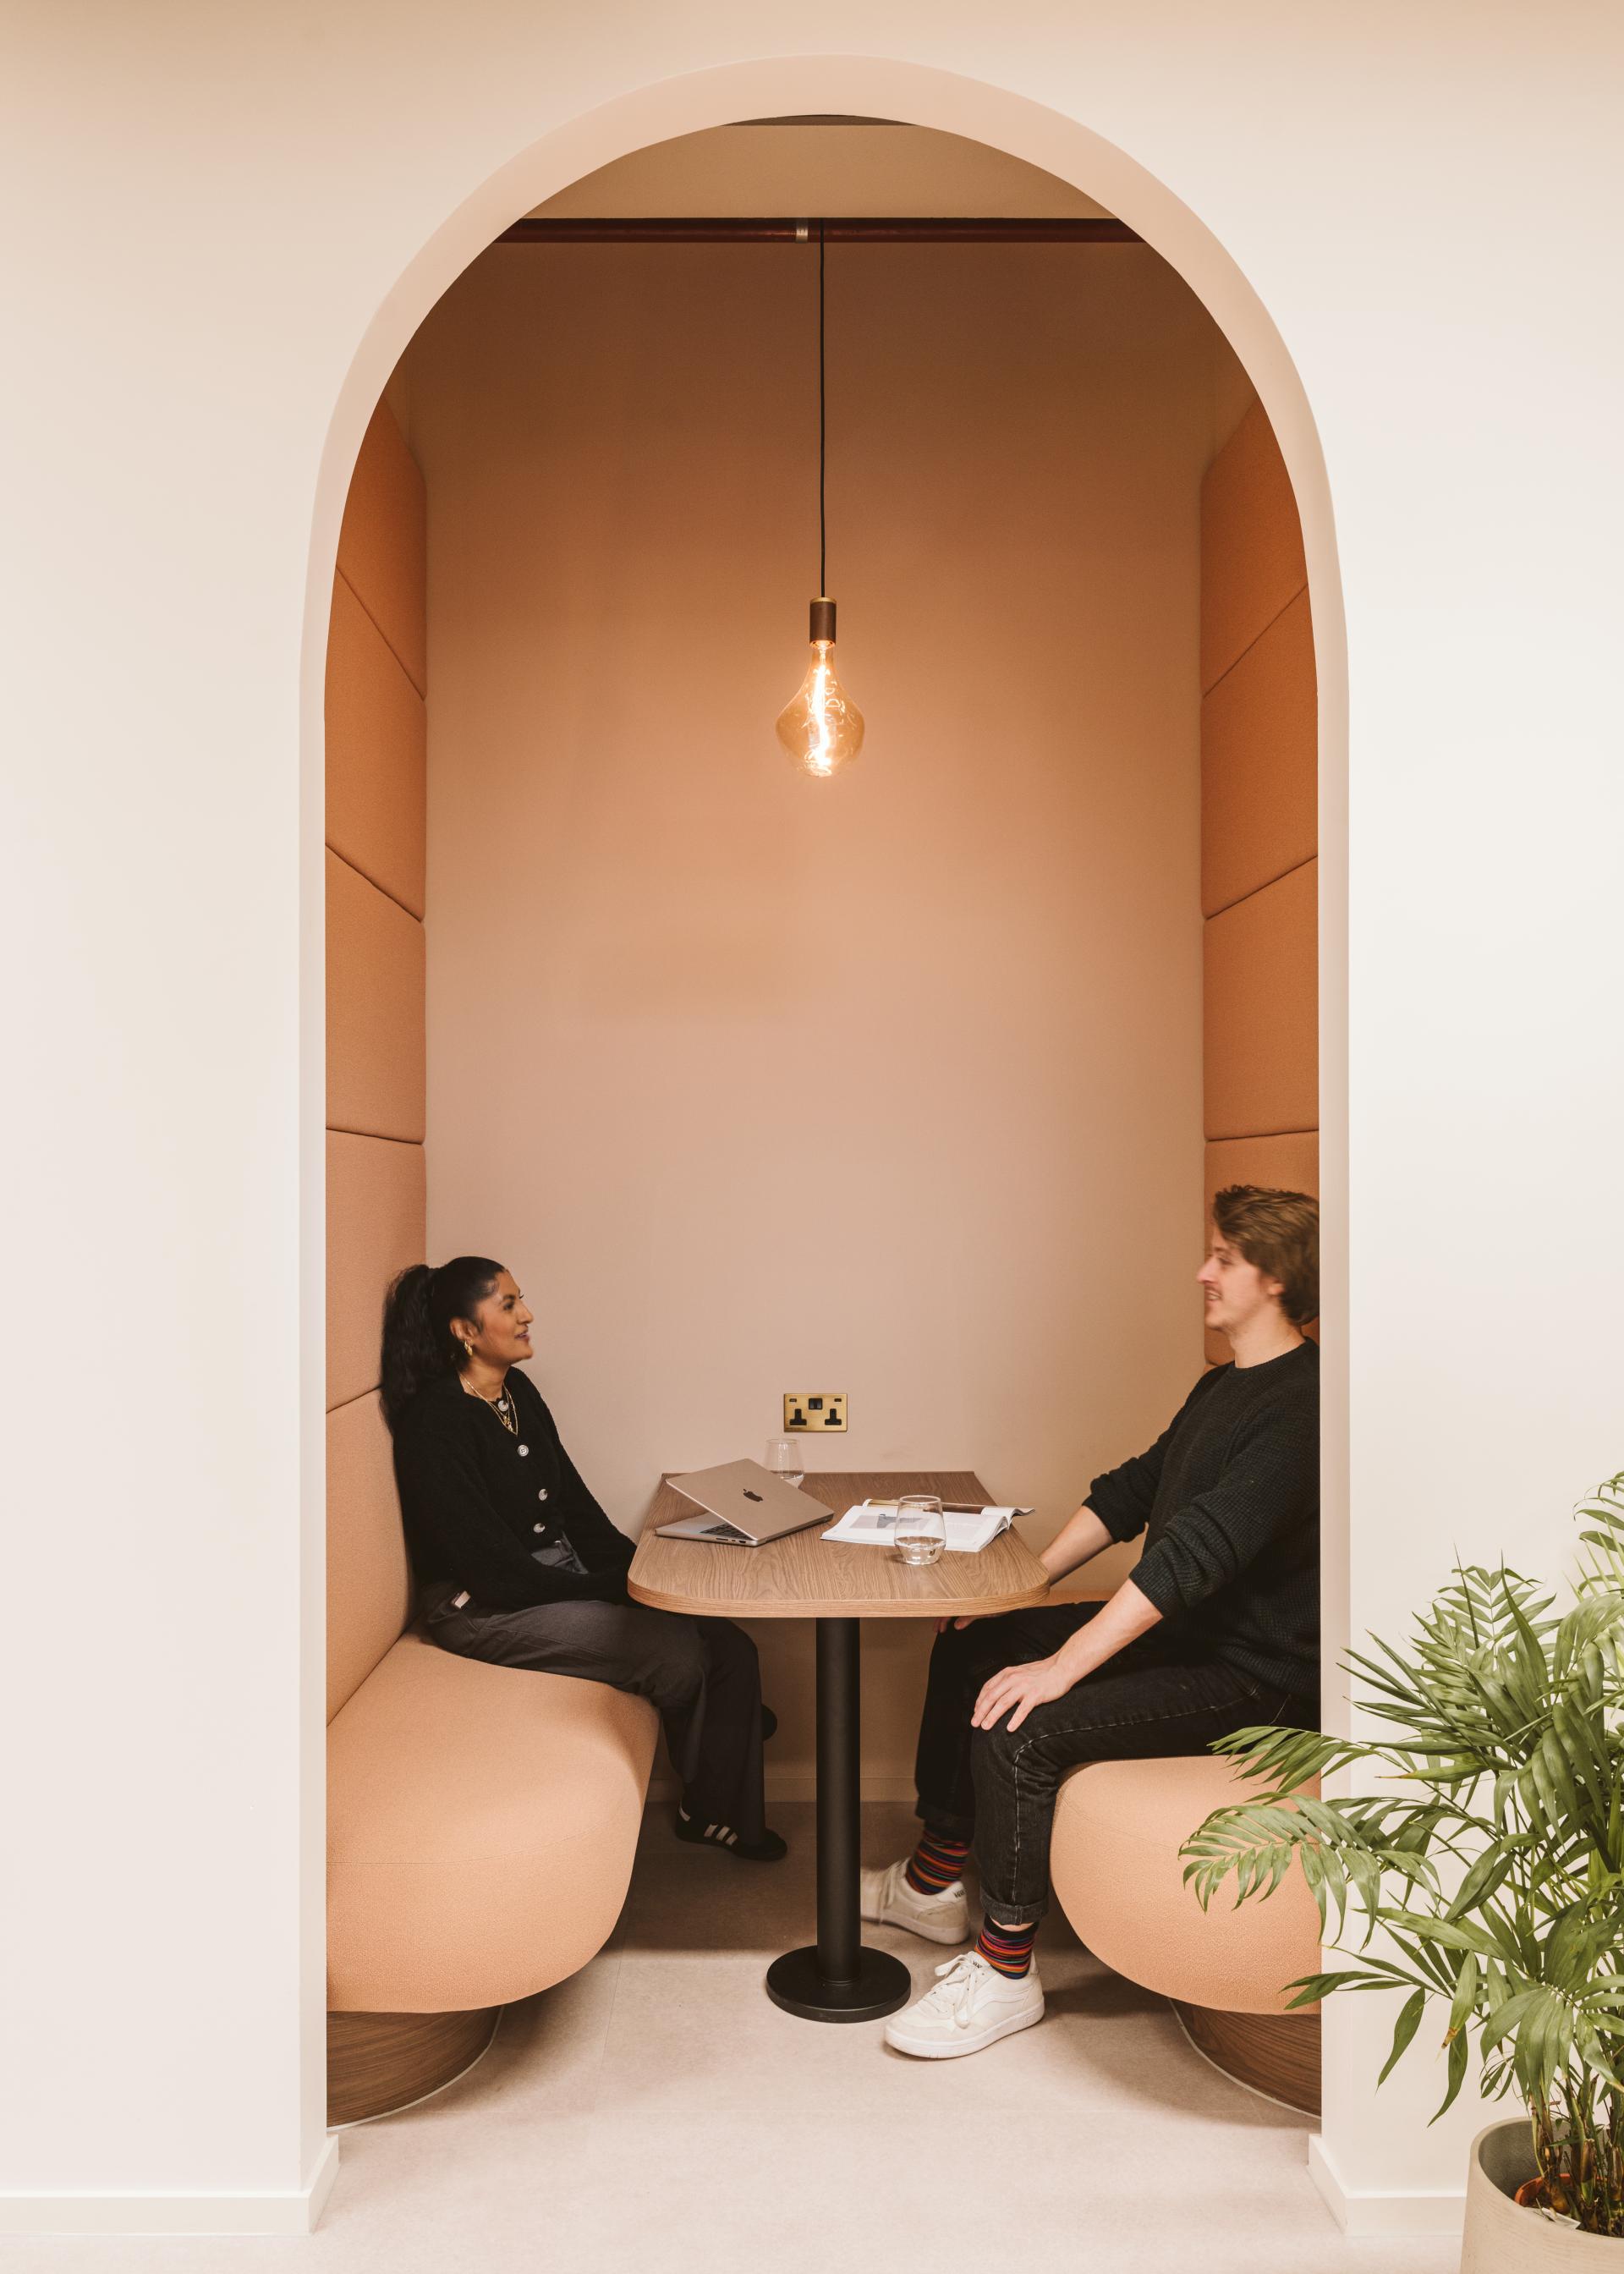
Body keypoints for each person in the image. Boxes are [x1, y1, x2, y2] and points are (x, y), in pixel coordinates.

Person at [864, 1184, 1320, 2058]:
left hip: (1258, 1675)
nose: (1202, 1273)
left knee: (1022, 1724)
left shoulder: (1302, 1407)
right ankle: (932, 1885)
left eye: (1223, 1258)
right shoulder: (1223, 1385)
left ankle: (1005, 1975)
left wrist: (1064, 1666)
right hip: (1191, 1638)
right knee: (979, 1646)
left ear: (1274, 1279)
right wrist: (1012, 1594)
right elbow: (1133, 1494)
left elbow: (1193, 1555)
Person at [381, 1255, 785, 1861]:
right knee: (675, 1653)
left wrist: (640, 1574)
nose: (528, 1315)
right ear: (465, 1331)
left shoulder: (516, 1392)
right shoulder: (434, 1424)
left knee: (730, 1645)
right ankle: (717, 1802)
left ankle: (721, 1755)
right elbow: (495, 1572)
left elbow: (575, 1506)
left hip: (552, 1578)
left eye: (523, 1300)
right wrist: (610, 1588)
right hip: (485, 1607)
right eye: (509, 1305)